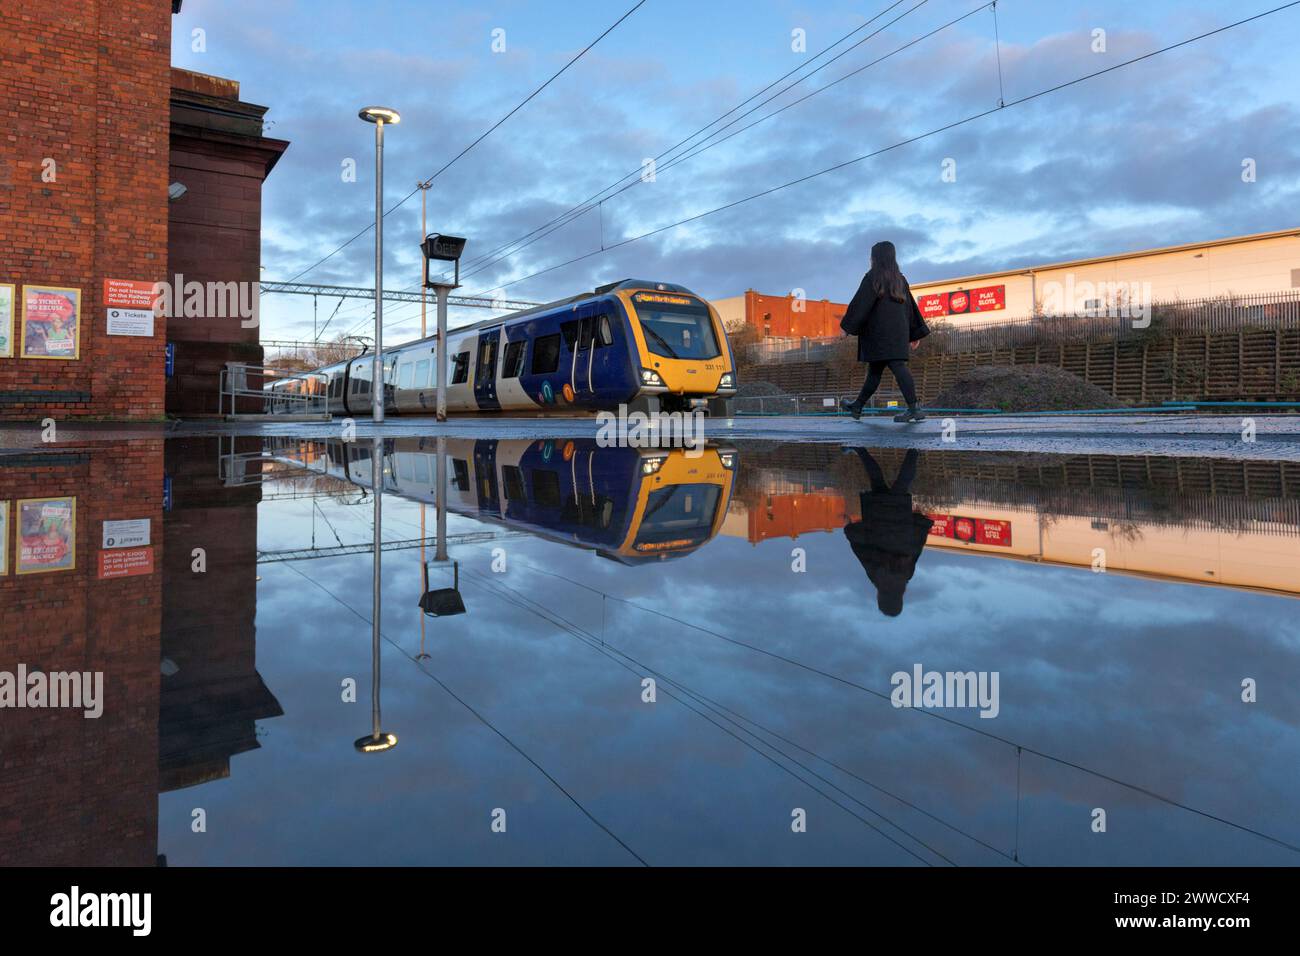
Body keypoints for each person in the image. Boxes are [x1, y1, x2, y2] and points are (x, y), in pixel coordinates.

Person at [839, 240, 930, 422]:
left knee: (894, 367)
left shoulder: (873, 277)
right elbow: (910, 308)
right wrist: (914, 333)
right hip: (898, 333)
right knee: (877, 370)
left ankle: (914, 409)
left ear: (875, 258)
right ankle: (857, 406)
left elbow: (861, 304)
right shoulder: (900, 279)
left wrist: (847, 327)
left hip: (878, 334)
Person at [842, 448, 932, 617]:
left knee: (902, 483)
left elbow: (916, 545)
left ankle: (914, 452)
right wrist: (849, 527)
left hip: (899, 518)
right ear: (880, 598)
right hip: (877, 516)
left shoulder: (906, 574)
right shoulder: (876, 576)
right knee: (876, 480)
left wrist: (920, 521)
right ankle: (860, 450)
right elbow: (861, 549)